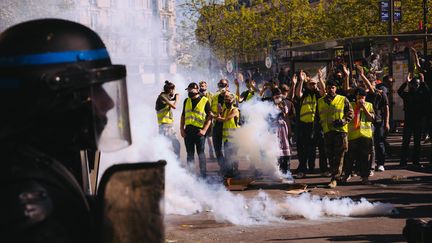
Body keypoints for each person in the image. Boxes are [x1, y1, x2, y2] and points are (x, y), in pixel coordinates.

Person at [0, 19, 131, 242]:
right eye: (94, 88)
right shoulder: (27, 202)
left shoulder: (39, 165)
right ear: (52, 97)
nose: (108, 102)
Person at [318, 80, 353, 188]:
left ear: (336, 88)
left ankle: (335, 178)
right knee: (330, 156)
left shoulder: (342, 99)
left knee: (340, 155)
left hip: (340, 132)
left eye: (332, 87)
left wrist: (343, 121)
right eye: (328, 87)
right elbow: (317, 117)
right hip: (327, 132)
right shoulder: (320, 101)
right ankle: (338, 175)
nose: (330, 89)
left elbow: (350, 113)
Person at [295, 70, 328, 178]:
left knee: (322, 149)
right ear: (307, 85)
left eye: (314, 84)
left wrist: (320, 79)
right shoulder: (304, 94)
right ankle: (303, 170)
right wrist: (300, 81)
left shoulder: (318, 94)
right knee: (306, 150)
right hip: (305, 126)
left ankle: (324, 169)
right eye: (310, 84)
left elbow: (324, 92)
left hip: (318, 125)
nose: (312, 85)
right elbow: (297, 94)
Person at [398, 72, 431, 167]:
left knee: (416, 142)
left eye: (417, 84)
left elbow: (428, 94)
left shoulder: (421, 95)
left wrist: (423, 82)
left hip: (418, 121)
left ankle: (415, 161)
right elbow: (399, 91)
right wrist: (406, 82)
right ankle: (403, 161)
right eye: (414, 84)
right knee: (406, 141)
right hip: (409, 121)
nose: (416, 86)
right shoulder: (407, 95)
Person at [343, 88, 375, 185]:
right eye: (359, 97)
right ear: (356, 97)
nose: (361, 99)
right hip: (353, 136)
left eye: (363, 97)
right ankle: (347, 174)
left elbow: (372, 119)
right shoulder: (351, 105)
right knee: (349, 157)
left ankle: (365, 177)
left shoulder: (369, 105)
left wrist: (364, 108)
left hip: (365, 135)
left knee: (365, 158)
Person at [180, 82, 212, 178]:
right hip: (188, 131)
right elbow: (183, 116)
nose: (189, 92)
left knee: (201, 154)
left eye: (191, 90)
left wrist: (204, 130)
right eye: (188, 90)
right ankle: (191, 175)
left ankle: (203, 176)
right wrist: (181, 129)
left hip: (199, 131)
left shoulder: (205, 100)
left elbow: (210, 117)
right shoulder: (186, 101)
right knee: (190, 154)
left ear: (197, 90)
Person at [216, 93, 240, 178]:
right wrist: (219, 112)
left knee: (234, 157)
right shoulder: (225, 110)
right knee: (228, 157)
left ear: (232, 100)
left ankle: (236, 173)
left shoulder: (235, 110)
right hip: (226, 139)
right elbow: (219, 119)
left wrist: (217, 117)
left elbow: (226, 119)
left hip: (234, 138)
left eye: (228, 100)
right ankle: (230, 173)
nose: (226, 101)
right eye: (225, 100)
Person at [271, 88, 293, 180]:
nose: (278, 98)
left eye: (279, 96)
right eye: (276, 96)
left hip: (283, 130)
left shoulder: (285, 104)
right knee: (276, 152)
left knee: (286, 152)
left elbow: (287, 114)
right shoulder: (269, 105)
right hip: (273, 130)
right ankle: (278, 173)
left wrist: (282, 108)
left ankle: (287, 172)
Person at [155, 80, 181, 157]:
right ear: (170, 89)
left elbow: (169, 102)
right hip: (165, 126)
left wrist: (174, 98)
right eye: (173, 89)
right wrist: (177, 99)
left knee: (169, 145)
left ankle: (172, 161)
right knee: (173, 144)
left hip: (167, 125)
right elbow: (174, 106)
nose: (174, 91)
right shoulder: (162, 97)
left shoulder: (165, 97)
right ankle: (173, 161)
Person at [199, 80, 215, 159]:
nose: (203, 87)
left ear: (206, 86)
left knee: (209, 136)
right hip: (200, 119)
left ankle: (211, 151)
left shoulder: (211, 95)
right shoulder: (197, 95)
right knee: (201, 137)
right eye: (201, 86)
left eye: (204, 85)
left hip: (209, 118)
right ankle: (201, 154)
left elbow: (213, 105)